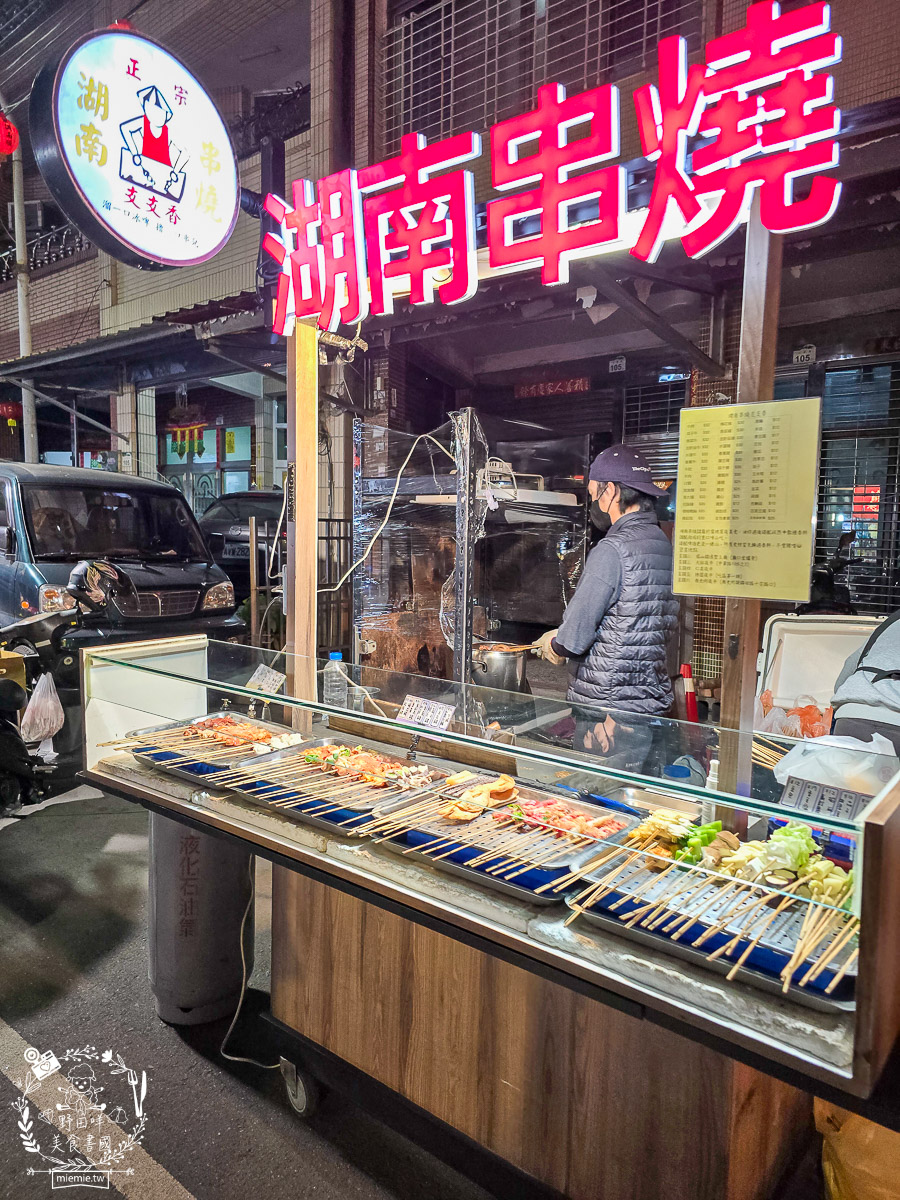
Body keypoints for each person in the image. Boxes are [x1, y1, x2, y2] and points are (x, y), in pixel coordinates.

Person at [533, 444, 678, 770]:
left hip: (607, 711)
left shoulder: (612, 549)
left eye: (594, 495)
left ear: (611, 491)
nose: (594, 504)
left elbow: (576, 636)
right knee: (638, 801)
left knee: (600, 802)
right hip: (648, 704)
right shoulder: (661, 544)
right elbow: (632, 618)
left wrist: (555, 642)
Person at [830, 610, 900, 755]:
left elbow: (841, 681)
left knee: (848, 776)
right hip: (896, 725)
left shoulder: (893, 622)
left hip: (851, 717)